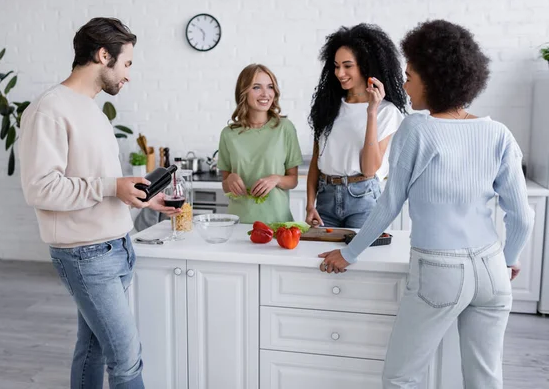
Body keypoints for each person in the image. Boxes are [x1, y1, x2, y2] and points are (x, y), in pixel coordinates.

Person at [318, 20, 533, 388]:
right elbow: (523, 217)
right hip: (492, 270)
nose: (404, 83)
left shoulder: (416, 129)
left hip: (440, 270)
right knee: (486, 379)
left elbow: (387, 206)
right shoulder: (498, 133)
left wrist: (349, 254)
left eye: (410, 75)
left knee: (401, 377)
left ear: (433, 79)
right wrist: (510, 258)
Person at [19, 17, 179, 389]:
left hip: (115, 247)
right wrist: (111, 186)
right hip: (85, 255)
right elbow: (40, 189)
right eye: (126, 64)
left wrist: (140, 199)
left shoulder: (93, 110)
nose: (127, 75)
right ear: (103, 55)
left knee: (92, 349)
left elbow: (100, 185)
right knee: (126, 360)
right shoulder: (49, 109)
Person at [305, 24, 407, 228]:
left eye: (347, 65)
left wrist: (371, 112)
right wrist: (309, 205)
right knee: (321, 260)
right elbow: (316, 161)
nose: (339, 72)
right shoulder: (328, 107)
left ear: (365, 66)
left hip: (364, 198)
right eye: (336, 65)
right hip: (325, 199)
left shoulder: (386, 111)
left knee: (362, 259)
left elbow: (369, 170)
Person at [218, 64, 303, 224]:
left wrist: (276, 179)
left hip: (277, 223)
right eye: (256, 87)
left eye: (270, 87)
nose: (265, 94)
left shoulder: (285, 128)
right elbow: (225, 183)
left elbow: (293, 180)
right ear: (243, 92)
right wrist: (230, 180)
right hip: (239, 222)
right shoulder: (228, 134)